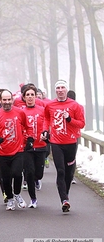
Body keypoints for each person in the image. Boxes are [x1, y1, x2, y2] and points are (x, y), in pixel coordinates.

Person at [41, 80, 85, 212]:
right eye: (58, 88)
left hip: (71, 142)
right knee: (60, 170)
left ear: (66, 90)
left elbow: (81, 124)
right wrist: (45, 130)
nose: (60, 90)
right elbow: (46, 118)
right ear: (56, 90)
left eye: (62, 88)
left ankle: (66, 193)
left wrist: (69, 119)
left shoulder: (75, 105)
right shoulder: (50, 105)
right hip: (56, 142)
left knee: (69, 172)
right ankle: (64, 200)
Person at [0, 89, 32, 211]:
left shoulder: (19, 113)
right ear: (0, 101)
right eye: (4, 100)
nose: (7, 102)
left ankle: (17, 194)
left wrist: (29, 139)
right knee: (5, 177)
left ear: (12, 100)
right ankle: (10, 199)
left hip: (18, 150)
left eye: (9, 99)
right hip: (2, 151)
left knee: (17, 173)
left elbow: (28, 127)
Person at [21, 85, 46, 208]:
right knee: (29, 172)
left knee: (38, 173)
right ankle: (33, 198)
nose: (30, 97)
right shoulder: (21, 111)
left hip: (41, 145)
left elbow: (47, 124)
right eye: (27, 95)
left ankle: (37, 179)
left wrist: (47, 134)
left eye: (32, 95)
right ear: (24, 97)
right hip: (27, 147)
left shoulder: (42, 110)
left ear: (36, 97)